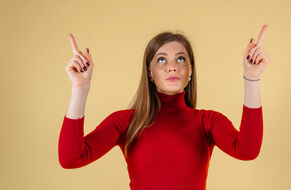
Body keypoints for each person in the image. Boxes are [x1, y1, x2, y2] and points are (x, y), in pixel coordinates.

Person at [58, 25, 270, 190]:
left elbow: (247, 150)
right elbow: (71, 159)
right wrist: (80, 88)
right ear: (149, 72)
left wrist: (252, 79)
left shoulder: (208, 122)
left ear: (190, 70)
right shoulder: (126, 122)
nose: (172, 66)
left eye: (180, 58)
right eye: (161, 59)